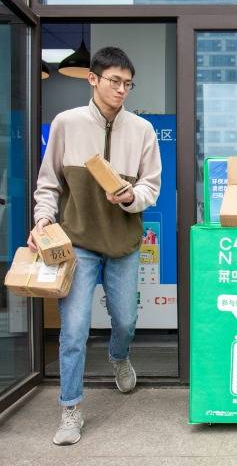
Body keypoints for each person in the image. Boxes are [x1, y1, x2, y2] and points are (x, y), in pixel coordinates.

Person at [29, 47, 161, 445]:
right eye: (114, 81)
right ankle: (71, 408)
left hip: (122, 241)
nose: (122, 90)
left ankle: (119, 357)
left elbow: (150, 187)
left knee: (125, 320)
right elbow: (49, 182)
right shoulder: (66, 124)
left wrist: (129, 197)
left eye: (127, 83)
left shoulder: (142, 130)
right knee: (73, 329)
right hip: (78, 241)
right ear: (93, 79)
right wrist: (42, 220)